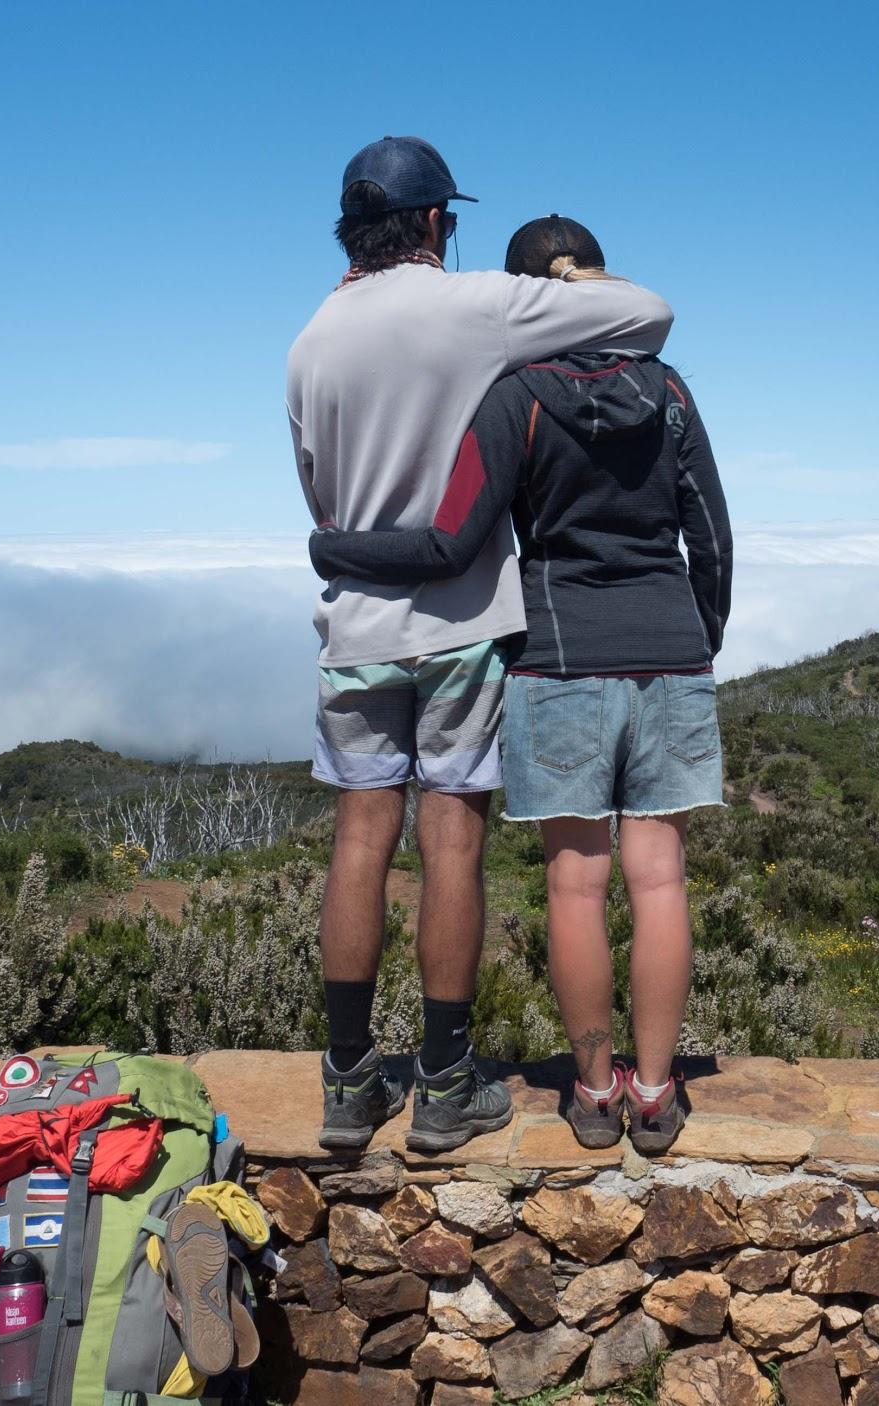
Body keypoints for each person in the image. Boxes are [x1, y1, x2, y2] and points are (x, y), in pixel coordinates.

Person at [309, 215, 732, 1155]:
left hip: (557, 657)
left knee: (575, 892)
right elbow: (710, 533)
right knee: (660, 880)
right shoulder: (669, 395)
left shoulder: (518, 397)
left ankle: (591, 1089)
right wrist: (697, 636)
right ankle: (656, 1095)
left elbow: (457, 536)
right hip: (671, 650)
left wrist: (335, 546)